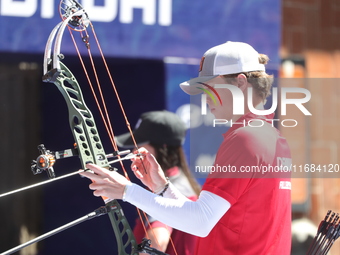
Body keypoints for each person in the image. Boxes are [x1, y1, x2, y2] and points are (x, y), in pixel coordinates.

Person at [80, 41, 292, 254]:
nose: (205, 97)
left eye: (210, 87)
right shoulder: (272, 137)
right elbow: (206, 214)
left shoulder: (247, 138)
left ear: (240, 82)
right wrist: (162, 188)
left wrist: (126, 191)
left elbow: (200, 221)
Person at [115, 110, 200, 254]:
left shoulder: (171, 190)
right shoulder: (179, 183)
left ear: (163, 148)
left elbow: (158, 241)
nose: (135, 150)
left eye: (141, 144)